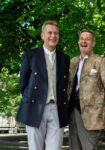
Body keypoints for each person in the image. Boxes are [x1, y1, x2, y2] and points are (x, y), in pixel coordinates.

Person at [16, 20, 70, 150]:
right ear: (42, 35)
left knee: (55, 147)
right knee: (35, 147)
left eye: (56, 33)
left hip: (57, 109)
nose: (53, 36)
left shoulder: (65, 58)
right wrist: (33, 99)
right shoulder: (30, 56)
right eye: (49, 32)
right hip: (35, 108)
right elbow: (23, 84)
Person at [68, 29, 105, 150]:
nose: (84, 41)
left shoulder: (100, 61)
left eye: (87, 39)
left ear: (93, 43)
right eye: (81, 39)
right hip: (72, 113)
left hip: (93, 117)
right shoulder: (72, 62)